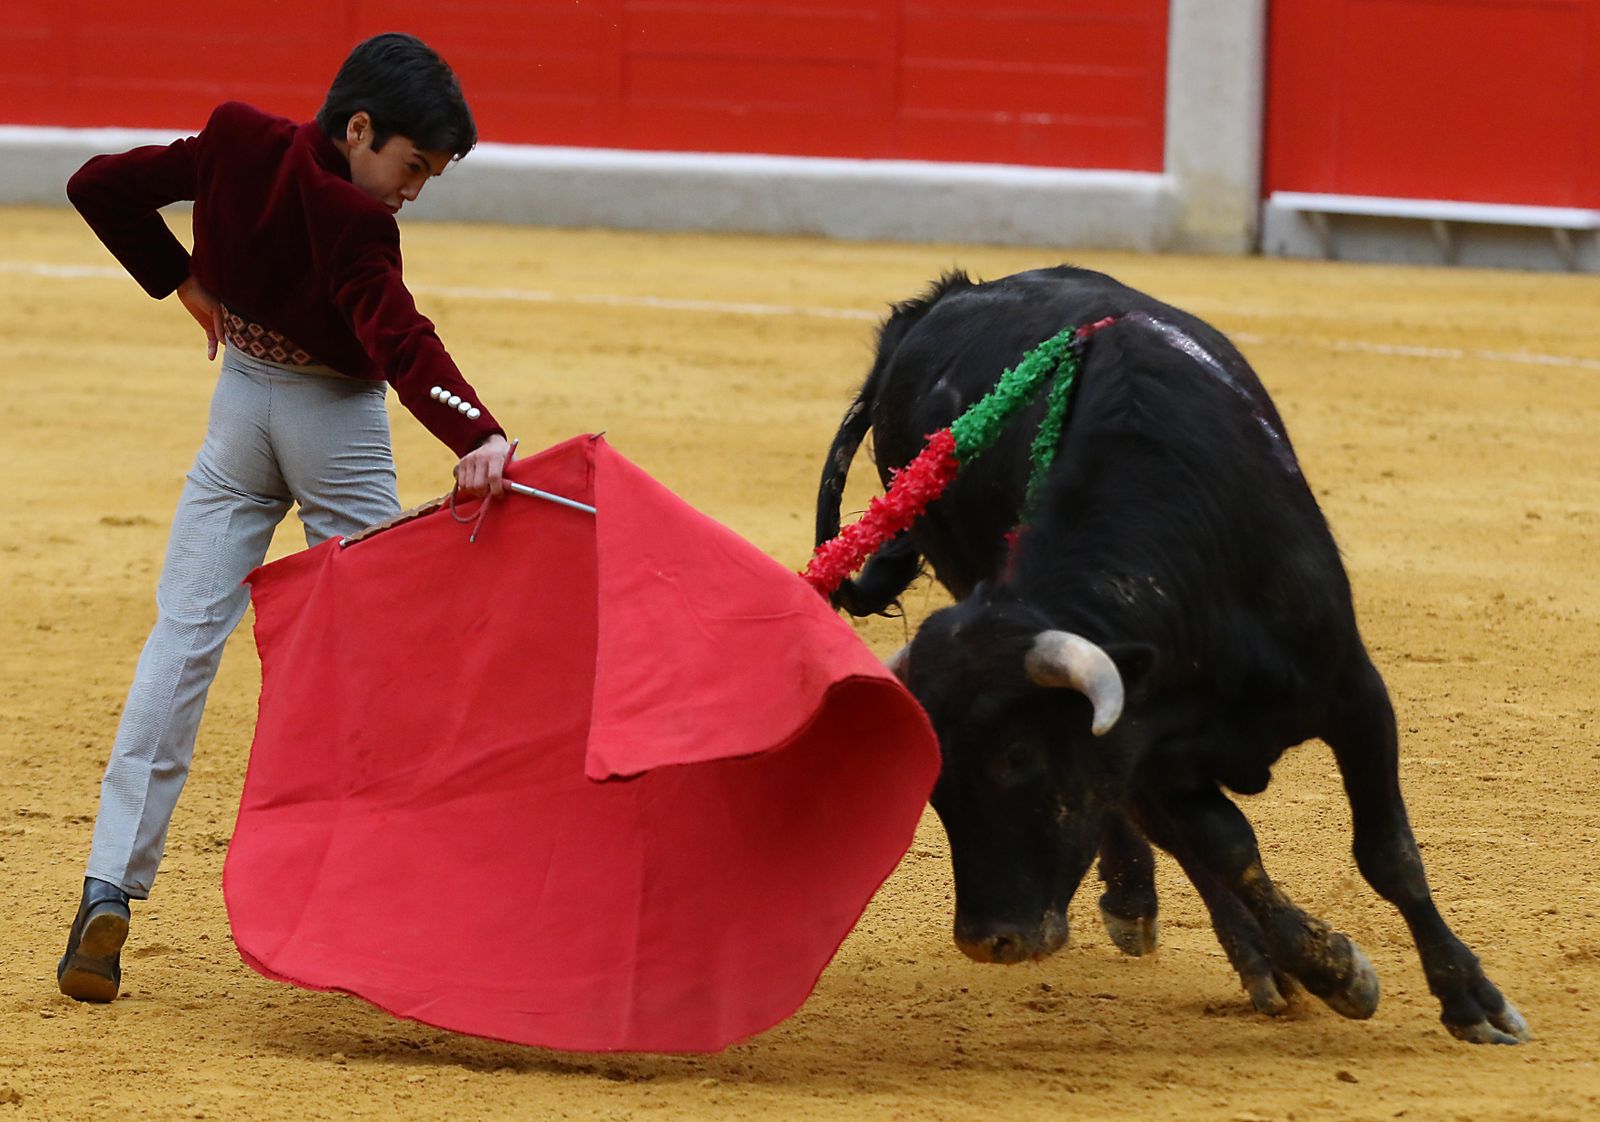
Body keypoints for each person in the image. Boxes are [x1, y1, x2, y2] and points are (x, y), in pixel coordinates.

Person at [57, 32, 511, 1002]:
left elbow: (98, 184)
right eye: (410, 165)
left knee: (180, 643)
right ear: (358, 129)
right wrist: (479, 434)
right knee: (378, 652)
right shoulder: (355, 221)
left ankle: (109, 886)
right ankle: (395, 899)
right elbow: (400, 340)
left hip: (238, 420)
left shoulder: (234, 140)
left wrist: (181, 279)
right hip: (332, 431)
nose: (412, 190)